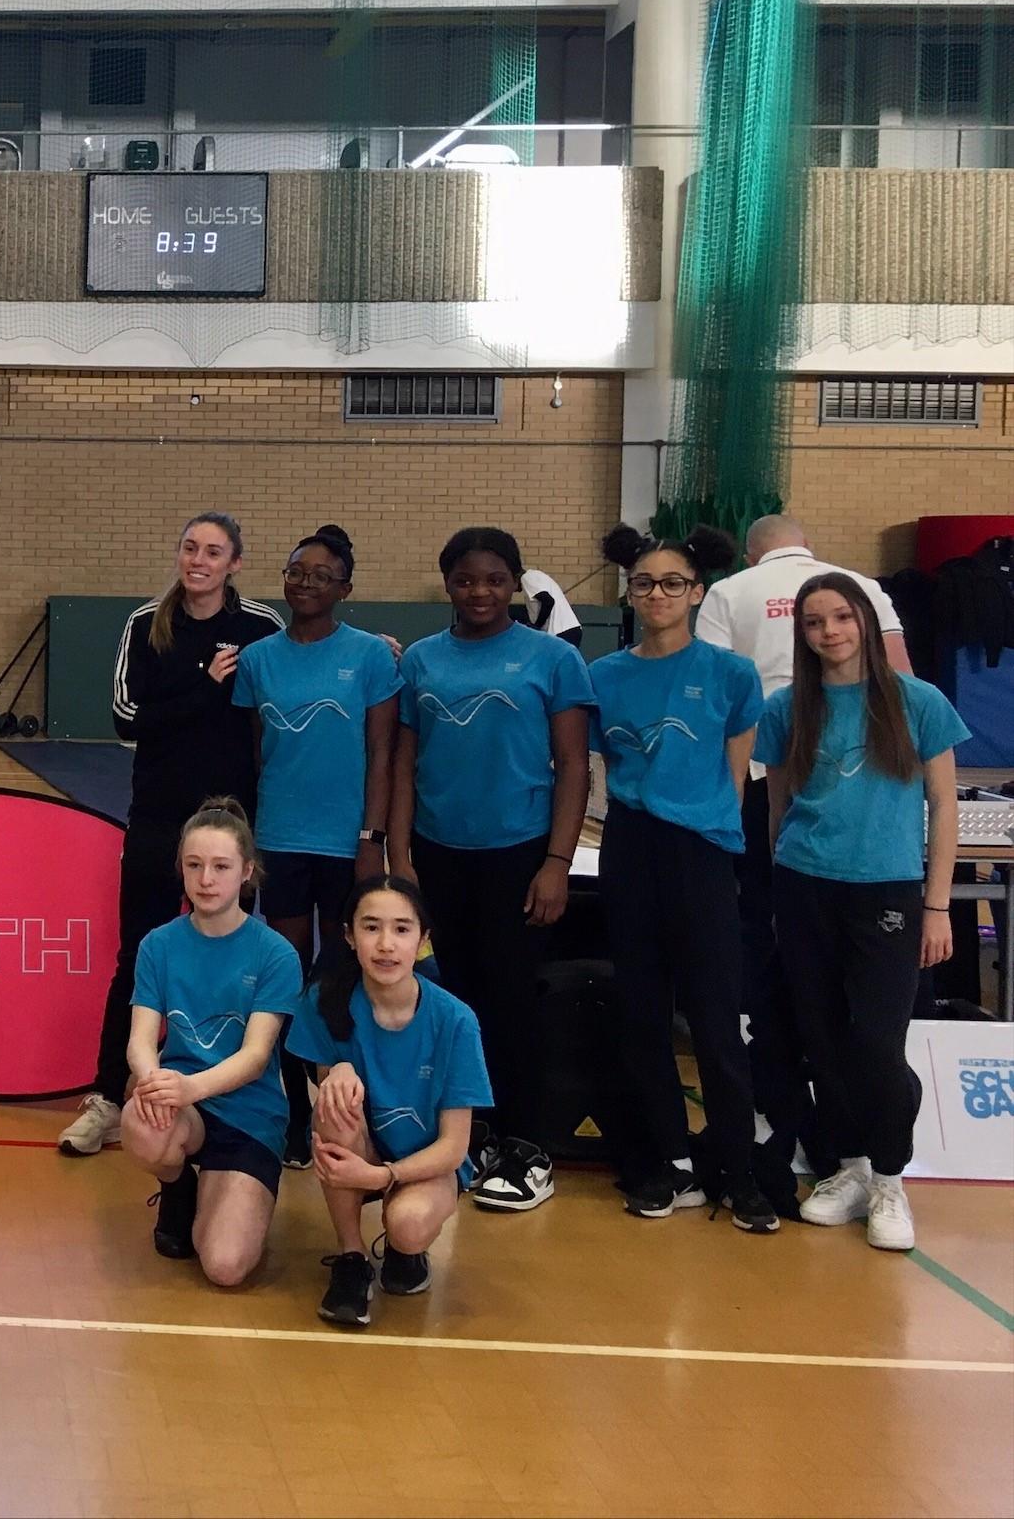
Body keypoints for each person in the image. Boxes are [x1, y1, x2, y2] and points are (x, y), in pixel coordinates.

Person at [697, 513, 911, 1207]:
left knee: (780, 977)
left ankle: (801, 1129)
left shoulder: (730, 594)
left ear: (755, 550)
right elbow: (901, 679)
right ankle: (831, 1143)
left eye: (835, 624)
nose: (827, 633)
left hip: (777, 800)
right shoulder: (867, 587)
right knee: (831, 993)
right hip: (835, 802)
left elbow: (715, 696)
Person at [60, 512, 283, 1157]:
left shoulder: (260, 628)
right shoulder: (145, 624)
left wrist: (375, 647)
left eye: (214, 552)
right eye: (190, 548)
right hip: (159, 820)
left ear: (235, 562)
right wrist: (203, 684)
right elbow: (129, 719)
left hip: (235, 827)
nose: (199, 560)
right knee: (138, 956)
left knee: (241, 961)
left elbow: (305, 660)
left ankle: (239, 1102)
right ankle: (110, 1095)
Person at [753, 574, 965, 1253]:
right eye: (814, 623)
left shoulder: (917, 702)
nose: (829, 633)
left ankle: (889, 1176)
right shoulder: (789, 708)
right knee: (823, 1038)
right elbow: (779, 805)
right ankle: (845, 1169)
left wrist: (937, 905)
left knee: (876, 1044)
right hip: (806, 887)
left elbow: (944, 806)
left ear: (866, 623)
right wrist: (778, 886)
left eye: (841, 618)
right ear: (802, 635)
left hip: (890, 894)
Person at [391, 525, 593, 1213]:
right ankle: (468, 1136)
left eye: (495, 580)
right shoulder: (420, 661)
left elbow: (572, 767)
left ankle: (527, 1146)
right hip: (438, 857)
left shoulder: (552, 660)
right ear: (448, 584)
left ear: (515, 586)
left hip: (519, 857)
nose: (480, 592)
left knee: (512, 1003)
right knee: (457, 1002)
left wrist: (557, 863)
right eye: (466, 580)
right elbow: (404, 765)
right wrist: (400, 857)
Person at [590, 525, 777, 1233]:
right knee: (642, 1015)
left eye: (673, 582)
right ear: (629, 593)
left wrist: (713, 834)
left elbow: (736, 773)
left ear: (698, 592)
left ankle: (737, 1168)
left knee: (714, 1019)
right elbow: (607, 765)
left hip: (701, 851)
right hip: (632, 849)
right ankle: (671, 1160)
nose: (658, 593)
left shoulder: (731, 674)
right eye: (644, 583)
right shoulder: (604, 678)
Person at [232, 523, 400, 1165]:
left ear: (345, 589)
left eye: (321, 576)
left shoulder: (371, 656)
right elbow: (256, 755)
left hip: (347, 844)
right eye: (296, 571)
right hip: (279, 843)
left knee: (345, 975)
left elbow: (383, 752)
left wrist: (371, 838)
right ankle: (294, 1113)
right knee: (287, 975)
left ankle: (351, 1108)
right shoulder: (258, 660)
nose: (305, 583)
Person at [290, 878, 491, 1329]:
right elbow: (331, 1106)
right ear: (348, 936)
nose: (385, 945)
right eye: (371, 927)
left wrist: (383, 1176)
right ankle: (351, 1256)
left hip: (425, 1161)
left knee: (408, 1223)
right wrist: (335, 1073)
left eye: (402, 929)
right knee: (334, 1105)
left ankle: (405, 1253)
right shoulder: (325, 999)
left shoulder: (455, 1021)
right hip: (362, 1145)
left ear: (423, 940)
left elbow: (455, 1148)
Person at [120, 797, 300, 1286]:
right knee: (141, 1118)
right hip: (185, 1109)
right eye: (194, 865)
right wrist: (153, 1080)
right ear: (180, 868)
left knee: (223, 1266)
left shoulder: (275, 954)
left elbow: (255, 1057)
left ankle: (243, 1188)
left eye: (221, 866)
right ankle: (177, 1189)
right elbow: (140, 1041)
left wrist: (187, 1088)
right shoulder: (158, 944)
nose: (206, 879)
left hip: (248, 1115)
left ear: (247, 871)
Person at [520, 564, 585, 647]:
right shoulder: (536, 575)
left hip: (560, 632)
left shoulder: (526, 578)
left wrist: (536, 626)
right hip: (570, 630)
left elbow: (548, 601)